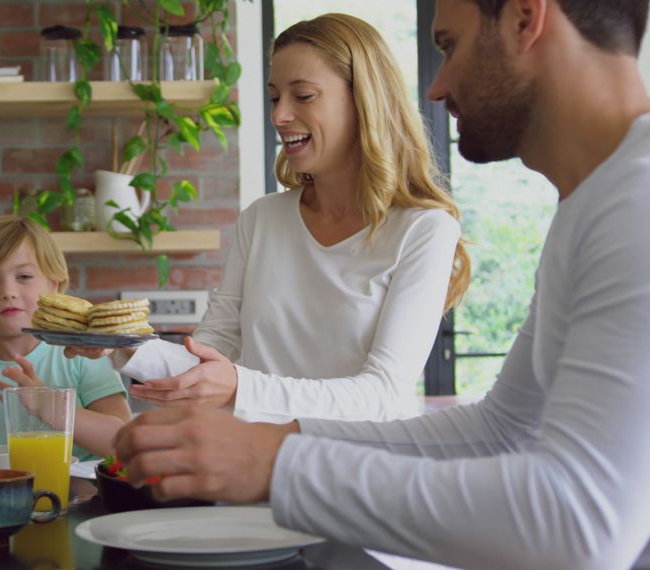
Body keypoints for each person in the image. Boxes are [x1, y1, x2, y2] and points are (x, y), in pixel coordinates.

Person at [113, 0, 650, 568]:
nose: (437, 87)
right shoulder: (590, 206)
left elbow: (583, 522)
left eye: (449, 45)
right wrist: (275, 444)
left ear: (525, 18)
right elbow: (501, 430)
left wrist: (277, 465)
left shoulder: (635, 207)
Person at [71, 13, 471, 423]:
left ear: (363, 100)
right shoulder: (262, 220)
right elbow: (208, 359)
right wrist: (122, 343)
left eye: (303, 96)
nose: (279, 116)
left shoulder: (424, 230)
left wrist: (240, 387)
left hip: (360, 478)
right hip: (255, 472)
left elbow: (382, 394)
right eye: (275, 96)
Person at [0, 215, 131, 460]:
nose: (8, 292)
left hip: (89, 498)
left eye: (24, 276)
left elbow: (125, 443)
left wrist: (50, 407)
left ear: (54, 284)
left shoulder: (84, 357)